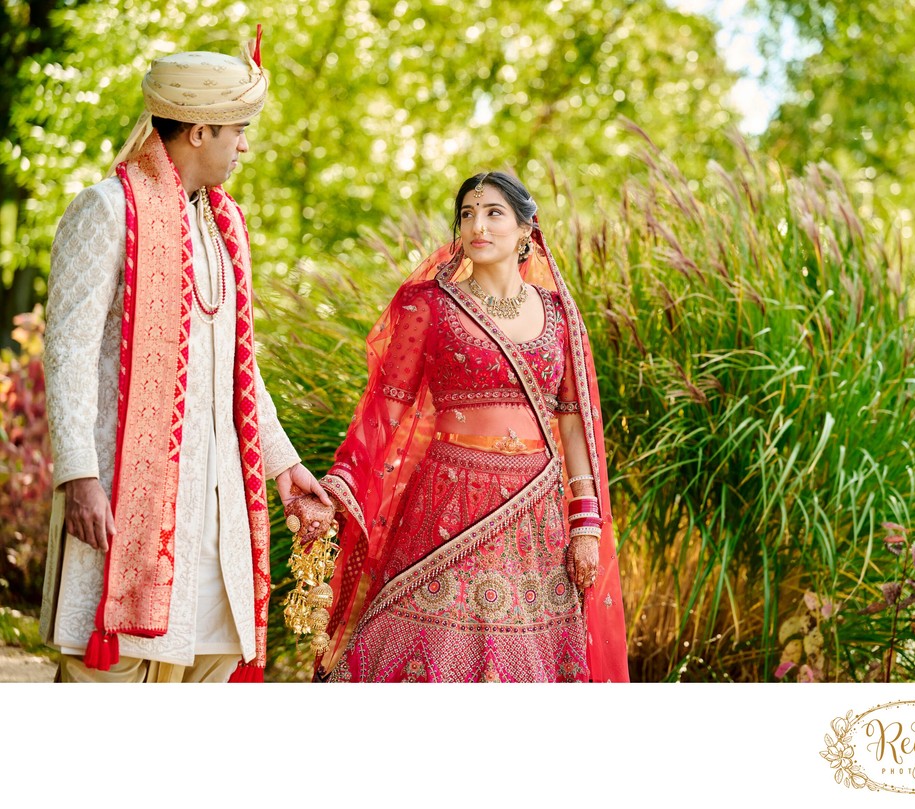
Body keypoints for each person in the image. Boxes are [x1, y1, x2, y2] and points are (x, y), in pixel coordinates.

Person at [39, 29, 330, 683]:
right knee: (107, 689)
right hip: (123, 500)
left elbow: (239, 363)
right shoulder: (107, 210)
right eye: (238, 129)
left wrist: (283, 463)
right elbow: (70, 351)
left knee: (210, 660)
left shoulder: (222, 224)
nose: (245, 145)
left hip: (216, 502)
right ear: (199, 131)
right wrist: (79, 474)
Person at [287, 171, 629, 682]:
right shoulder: (427, 307)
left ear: (526, 231)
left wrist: (585, 524)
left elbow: (574, 425)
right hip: (447, 504)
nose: (478, 225)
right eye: (467, 214)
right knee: (429, 650)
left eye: (494, 213)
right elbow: (384, 411)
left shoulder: (559, 315)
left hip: (535, 515)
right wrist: (341, 483)